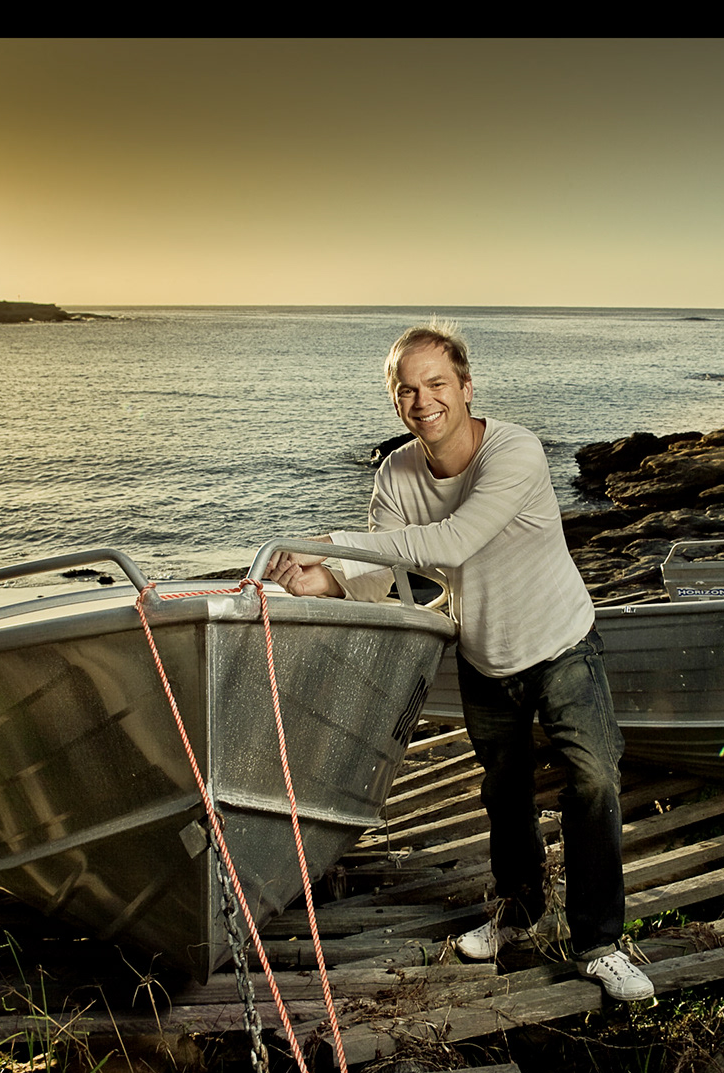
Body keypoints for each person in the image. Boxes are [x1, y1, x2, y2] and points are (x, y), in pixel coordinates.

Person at [265, 322, 654, 1002]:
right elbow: (380, 577)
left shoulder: (515, 451)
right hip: (483, 656)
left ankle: (599, 943)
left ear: (467, 387)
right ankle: (519, 914)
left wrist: (324, 541)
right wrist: (316, 580)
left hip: (561, 642)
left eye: (436, 383)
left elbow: (453, 540)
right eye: (406, 390)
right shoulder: (396, 475)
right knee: (504, 792)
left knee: (594, 779)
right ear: (395, 400)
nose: (423, 401)